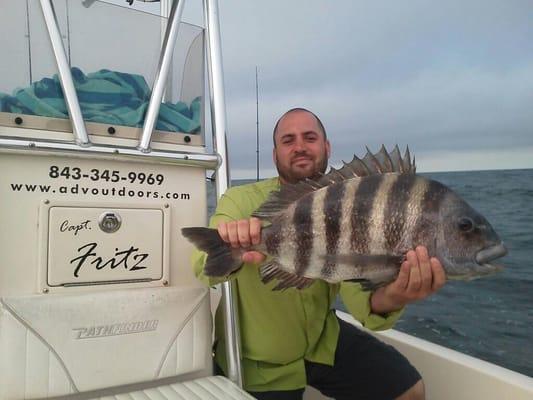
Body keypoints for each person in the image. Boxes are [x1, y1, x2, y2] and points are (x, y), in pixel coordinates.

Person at [192, 108, 446, 400]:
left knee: (409, 390)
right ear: (275, 156)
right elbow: (201, 265)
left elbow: (361, 296)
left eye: (309, 137)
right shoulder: (240, 200)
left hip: (322, 343)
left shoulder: (351, 202)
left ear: (326, 148)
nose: (299, 146)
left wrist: (396, 296)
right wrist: (231, 239)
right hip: (261, 364)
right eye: (288, 140)